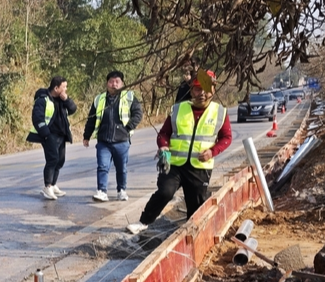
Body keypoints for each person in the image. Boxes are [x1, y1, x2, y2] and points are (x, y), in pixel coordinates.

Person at [127, 70, 231, 235]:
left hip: (199, 167)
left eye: (206, 88)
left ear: (213, 89)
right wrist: (163, 146)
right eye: (197, 88)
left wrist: (212, 152)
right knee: (164, 192)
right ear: (191, 89)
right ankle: (143, 222)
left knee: (196, 203)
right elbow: (164, 134)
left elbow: (226, 138)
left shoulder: (220, 112)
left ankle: (191, 234)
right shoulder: (178, 109)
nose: (202, 93)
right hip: (174, 164)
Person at [82, 70, 143, 202]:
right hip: (103, 141)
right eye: (111, 81)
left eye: (117, 82)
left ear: (122, 83)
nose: (114, 84)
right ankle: (102, 191)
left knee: (121, 168)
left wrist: (127, 128)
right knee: (102, 166)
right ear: (107, 83)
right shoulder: (99, 99)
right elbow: (91, 119)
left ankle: (121, 190)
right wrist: (86, 136)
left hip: (122, 141)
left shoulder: (129, 97)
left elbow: (138, 114)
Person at [27, 76, 77, 200]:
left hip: (61, 134)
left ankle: (53, 184)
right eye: (64, 87)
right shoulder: (42, 99)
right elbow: (37, 118)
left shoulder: (62, 98)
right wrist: (46, 134)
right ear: (56, 88)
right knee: (52, 159)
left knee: (60, 160)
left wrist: (67, 99)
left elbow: (73, 109)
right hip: (49, 135)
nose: (66, 89)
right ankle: (47, 187)